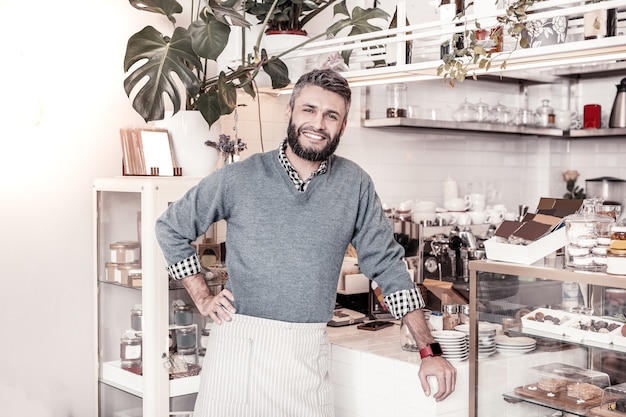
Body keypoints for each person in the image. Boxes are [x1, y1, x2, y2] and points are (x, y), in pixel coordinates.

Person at [155, 69, 457, 417]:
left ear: (342, 126)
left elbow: (388, 267)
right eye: (309, 110)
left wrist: (429, 352)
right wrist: (202, 296)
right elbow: (170, 228)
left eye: (331, 115)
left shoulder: (354, 184)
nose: (318, 122)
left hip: (307, 351)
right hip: (238, 349)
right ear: (290, 112)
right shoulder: (239, 178)